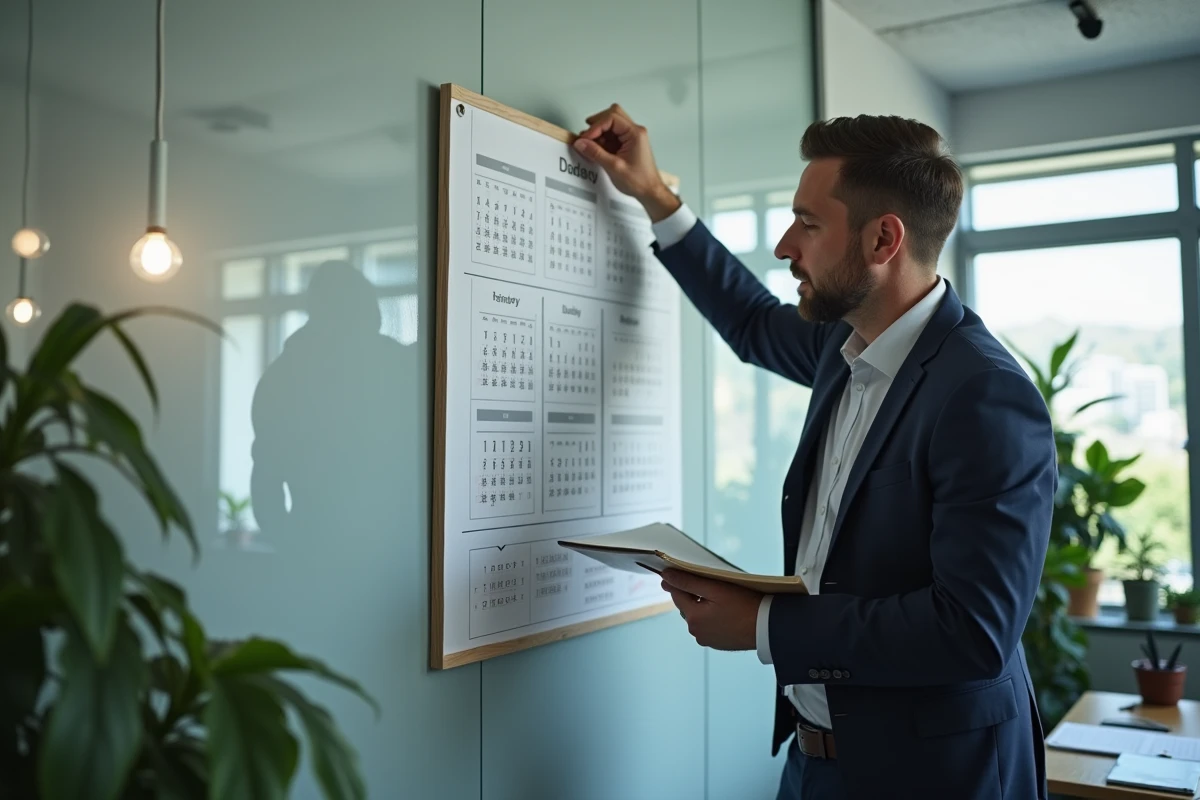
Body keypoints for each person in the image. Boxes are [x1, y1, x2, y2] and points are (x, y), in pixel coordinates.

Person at [573, 106, 1056, 799]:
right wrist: (653, 195)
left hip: (934, 778)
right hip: (813, 763)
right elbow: (747, 321)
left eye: (807, 223)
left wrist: (766, 623)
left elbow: (972, 631)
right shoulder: (842, 346)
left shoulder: (982, 395)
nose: (783, 246)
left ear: (882, 238)